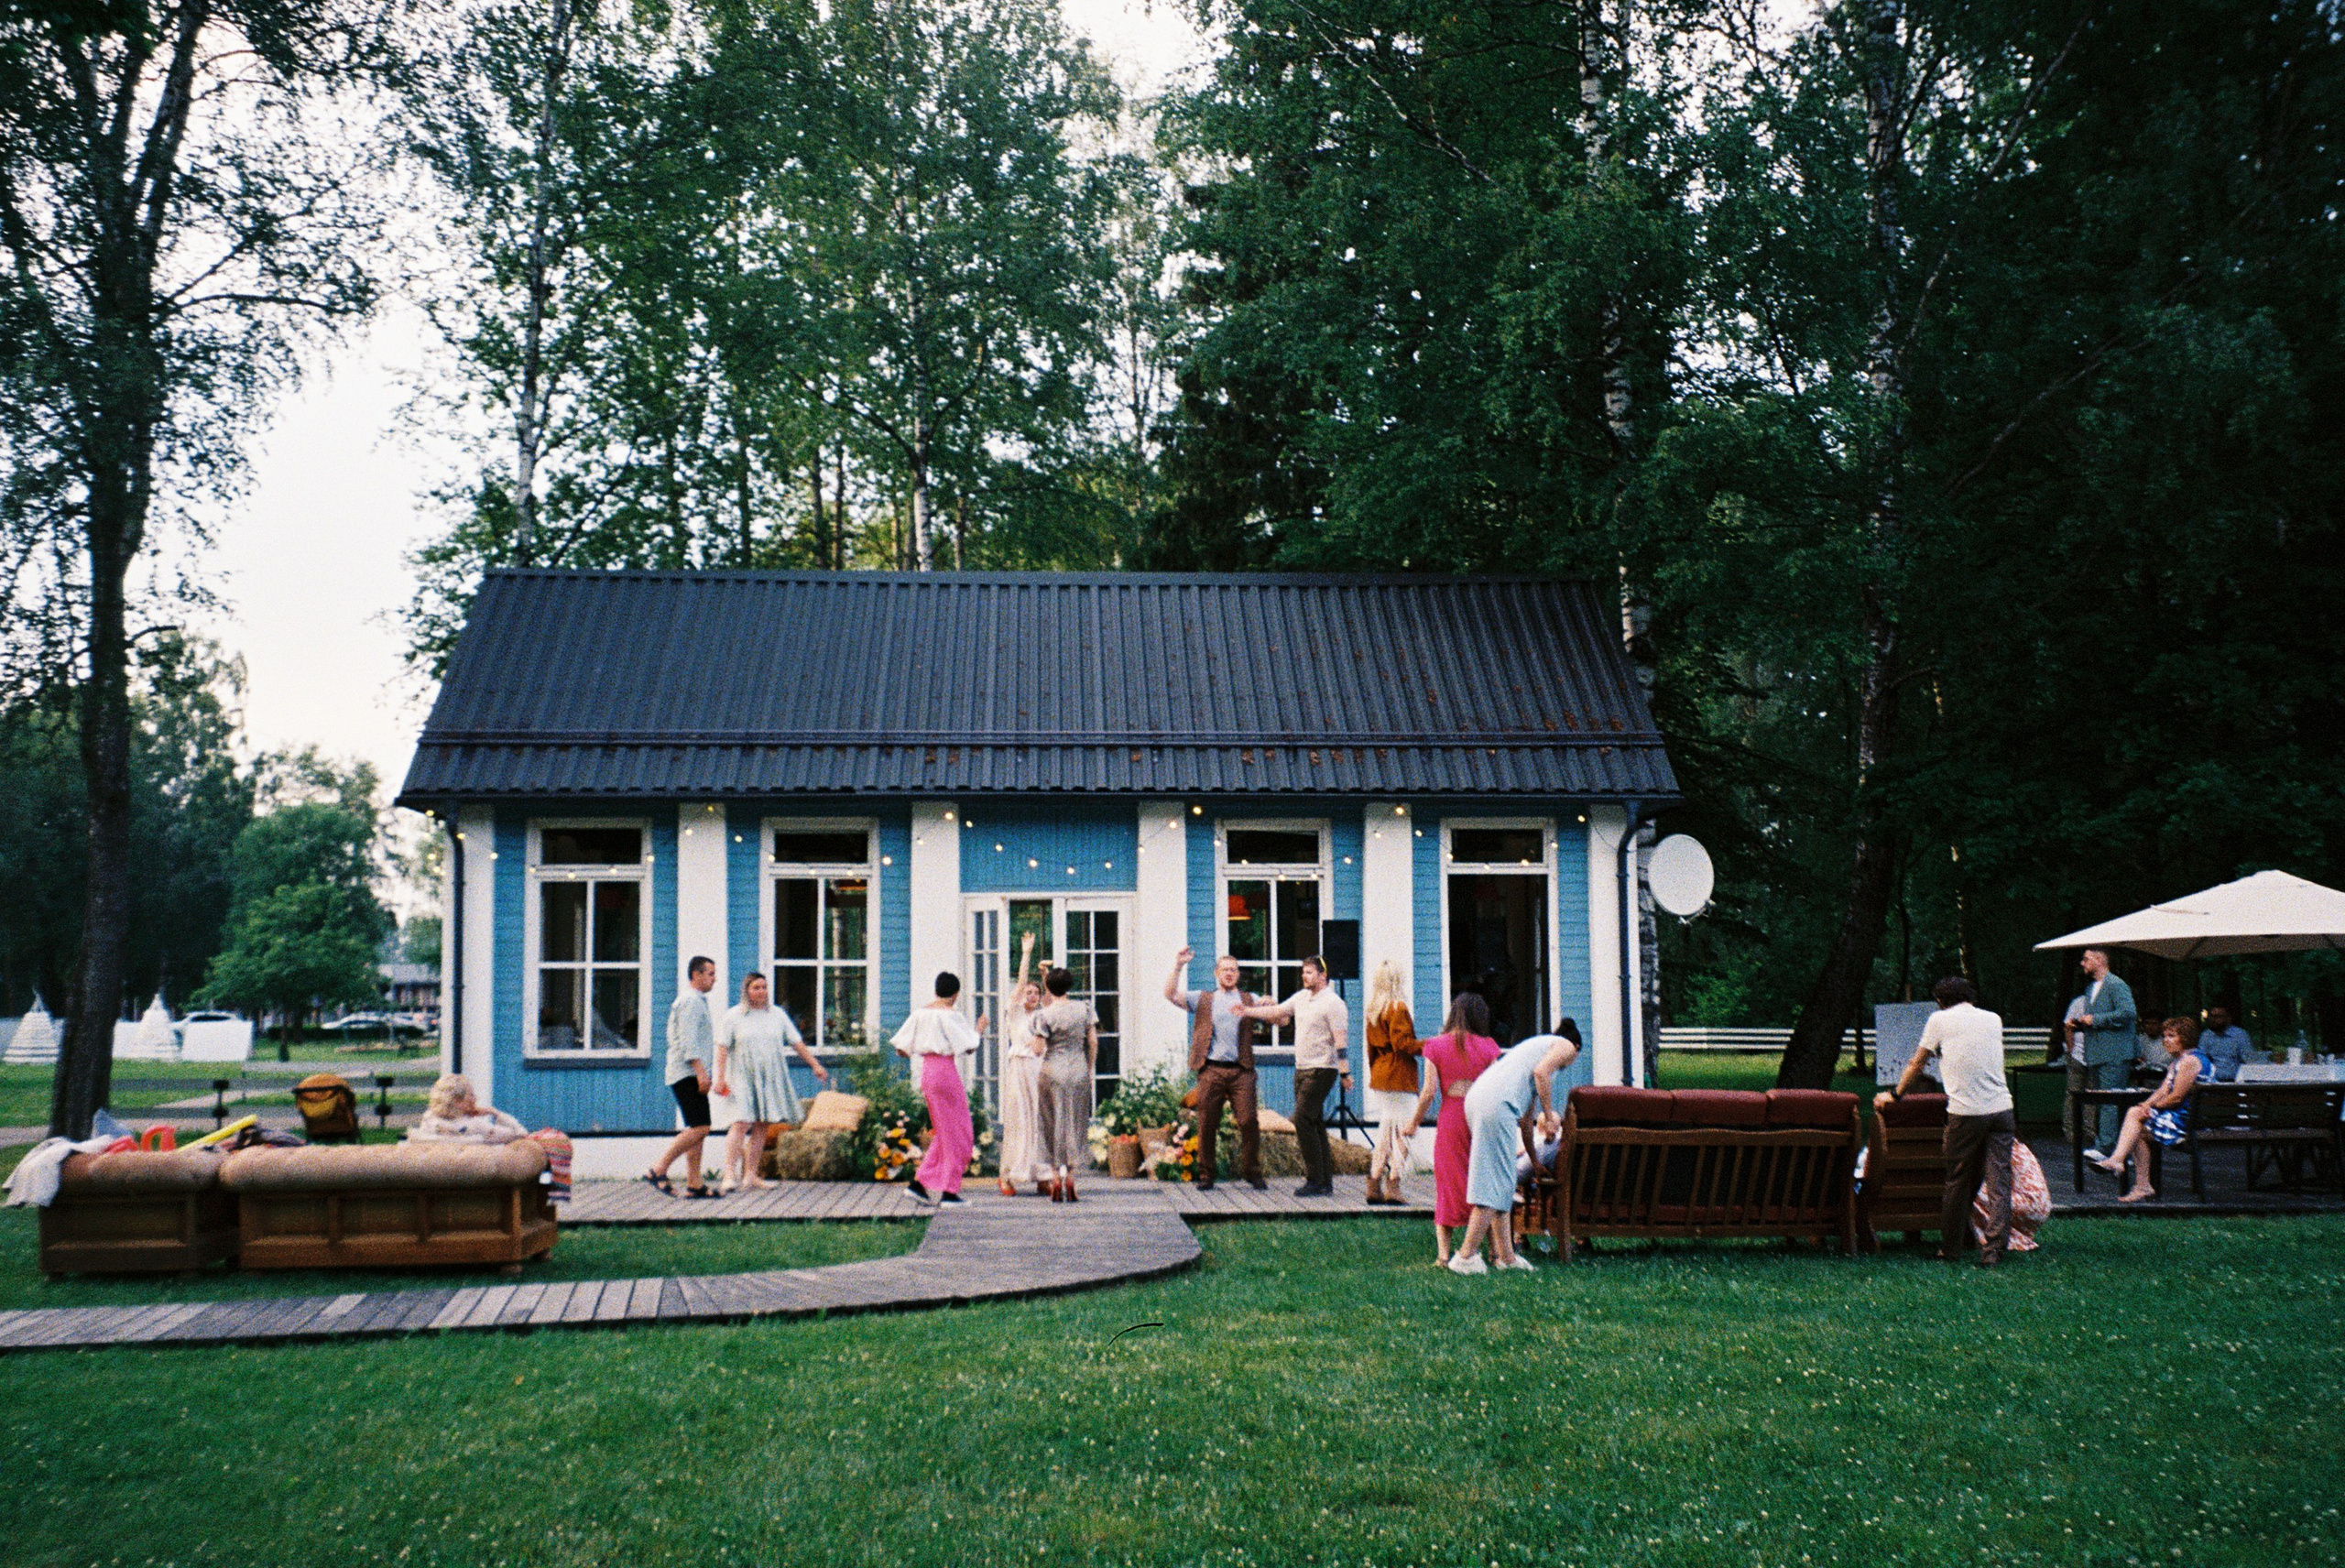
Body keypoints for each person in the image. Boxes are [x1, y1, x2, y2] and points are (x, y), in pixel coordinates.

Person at [1876, 976, 2014, 1266]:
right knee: (1999, 1181)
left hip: (1965, 1112)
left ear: (1940, 1000)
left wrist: (1896, 1094)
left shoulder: (1938, 1020)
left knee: (1957, 1180)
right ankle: (1994, 1251)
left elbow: (1918, 1062)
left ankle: (1950, 1248)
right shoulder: (1993, 1018)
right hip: (2002, 1109)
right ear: (1970, 996)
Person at [1451, 1031, 1581, 1275]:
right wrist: (1551, 1115)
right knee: (1496, 1184)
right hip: (1497, 1106)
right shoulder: (1566, 1047)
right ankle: (1466, 1256)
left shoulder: (1527, 1060)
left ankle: (1506, 1257)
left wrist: (1533, 1159)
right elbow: (1542, 1073)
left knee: (1504, 1180)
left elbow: (1526, 1123)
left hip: (1480, 1100)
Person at [1238, 955, 1352, 1197]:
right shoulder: (1301, 998)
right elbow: (1278, 1011)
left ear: (1323, 976)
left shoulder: (1333, 1003)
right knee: (1314, 1123)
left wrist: (1345, 1071)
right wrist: (1247, 1011)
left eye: (1310, 972)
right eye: (1303, 972)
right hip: (1301, 1068)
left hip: (1323, 1069)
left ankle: (1314, 1179)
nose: (1304, 976)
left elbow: (1340, 1040)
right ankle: (1324, 1182)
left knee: (1301, 1119)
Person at [1162, 947, 1269, 1192]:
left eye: (1233, 969)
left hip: (1242, 1070)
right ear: (1216, 973)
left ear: (1238, 974)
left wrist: (1269, 1001)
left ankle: (1252, 1173)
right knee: (1207, 1122)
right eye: (1225, 970)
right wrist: (1178, 965)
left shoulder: (1249, 999)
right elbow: (1169, 994)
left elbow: (1277, 1015)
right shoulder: (1203, 998)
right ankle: (1206, 1175)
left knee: (1249, 1121)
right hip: (1211, 1069)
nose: (1229, 973)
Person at [713, 973, 829, 1193]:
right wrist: (719, 1078)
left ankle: (751, 1175)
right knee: (740, 1123)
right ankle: (729, 1174)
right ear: (746, 990)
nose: (761, 991)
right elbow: (722, 1047)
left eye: (764, 987)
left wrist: (815, 1065)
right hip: (741, 1076)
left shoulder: (777, 1015)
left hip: (770, 1075)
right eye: (756, 987)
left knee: (763, 1124)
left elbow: (796, 1042)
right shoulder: (733, 1016)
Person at [1410, 993, 1500, 1266]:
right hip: (1480, 1119)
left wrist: (1413, 1123)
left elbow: (1427, 1093)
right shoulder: (1489, 1046)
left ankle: (1442, 1255)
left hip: (1450, 1119)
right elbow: (1496, 1089)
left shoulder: (1435, 1046)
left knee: (1447, 1183)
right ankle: (1494, 1251)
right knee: (1482, 1181)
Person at [2094, 1016, 2209, 1203]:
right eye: (2165, 1036)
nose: (2166, 1040)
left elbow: (2176, 1097)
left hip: (2186, 1122)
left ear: (2185, 1038)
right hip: (2181, 1118)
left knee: (2134, 1118)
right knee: (2136, 1122)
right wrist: (2146, 1105)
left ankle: (2119, 1161)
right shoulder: (2179, 1061)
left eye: (2171, 1036)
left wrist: (2151, 1108)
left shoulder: (2191, 1062)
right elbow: (2163, 1090)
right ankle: (2139, 1183)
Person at [894, 972, 984, 1205]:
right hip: (945, 1071)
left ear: (936, 990)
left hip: (928, 1071)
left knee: (946, 1132)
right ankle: (949, 1192)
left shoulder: (920, 1013)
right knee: (961, 1132)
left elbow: (901, 1049)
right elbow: (970, 1046)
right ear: (955, 994)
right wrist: (979, 1029)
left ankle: (919, 1184)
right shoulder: (951, 1015)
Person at [645, 955, 718, 1198]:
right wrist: (701, 1073)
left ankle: (694, 1183)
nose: (714, 979)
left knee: (697, 1127)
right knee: (700, 1127)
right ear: (696, 975)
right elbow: (688, 1042)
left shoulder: (696, 1001)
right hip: (687, 1073)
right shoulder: (690, 1002)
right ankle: (658, 1169)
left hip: (691, 1072)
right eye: (710, 974)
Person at [1028, 967, 1098, 1203]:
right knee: (1076, 1121)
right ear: (1069, 986)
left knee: (1052, 1121)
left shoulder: (1044, 1015)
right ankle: (1073, 1177)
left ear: (1048, 987)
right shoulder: (1084, 1008)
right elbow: (1092, 1041)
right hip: (1077, 1069)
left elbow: (1038, 1050)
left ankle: (1056, 1176)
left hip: (1052, 1071)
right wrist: (1088, 1068)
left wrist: (1031, 1042)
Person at [1360, 962, 1421, 1205]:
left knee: (1386, 1129)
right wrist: (1433, 1045)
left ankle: (1374, 1180)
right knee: (1406, 1129)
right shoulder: (1398, 1008)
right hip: (1399, 1073)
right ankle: (1394, 1182)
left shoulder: (1374, 1009)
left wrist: (1376, 1070)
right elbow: (1404, 1043)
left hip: (1381, 1071)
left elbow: (1370, 1048)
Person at [996, 931, 1048, 1197]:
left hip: (1038, 1070)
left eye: (1035, 992)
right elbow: (1020, 984)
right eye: (1028, 991)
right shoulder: (1015, 1013)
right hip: (1018, 1068)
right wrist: (1026, 953)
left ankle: (1041, 1175)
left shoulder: (1041, 1016)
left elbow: (1052, 999)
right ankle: (1007, 1175)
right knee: (1019, 1120)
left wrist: (1045, 979)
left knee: (1039, 1120)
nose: (1032, 994)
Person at [2072, 948, 2138, 1158]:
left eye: (2086, 959)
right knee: (2103, 1101)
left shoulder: (2116, 984)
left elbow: (2128, 1013)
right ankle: (2118, 1149)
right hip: (2097, 1053)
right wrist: (2080, 1024)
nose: (2082, 963)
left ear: (2100, 960)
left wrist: (2096, 1020)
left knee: (2111, 1100)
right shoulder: (2091, 988)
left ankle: (2106, 1148)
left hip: (2115, 1053)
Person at [413, 1073, 528, 1142]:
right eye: (471, 1095)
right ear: (458, 1102)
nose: (475, 1099)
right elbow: (521, 1133)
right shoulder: (476, 1127)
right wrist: (494, 1112)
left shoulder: (428, 1120)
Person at [2200, 1006, 2254, 1083]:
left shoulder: (2240, 1035)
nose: (2213, 1020)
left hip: (2236, 1082)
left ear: (2228, 1018)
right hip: (2212, 1082)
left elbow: (2249, 1060)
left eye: (2218, 1017)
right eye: (2212, 1016)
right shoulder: (2206, 1036)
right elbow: (2201, 1060)